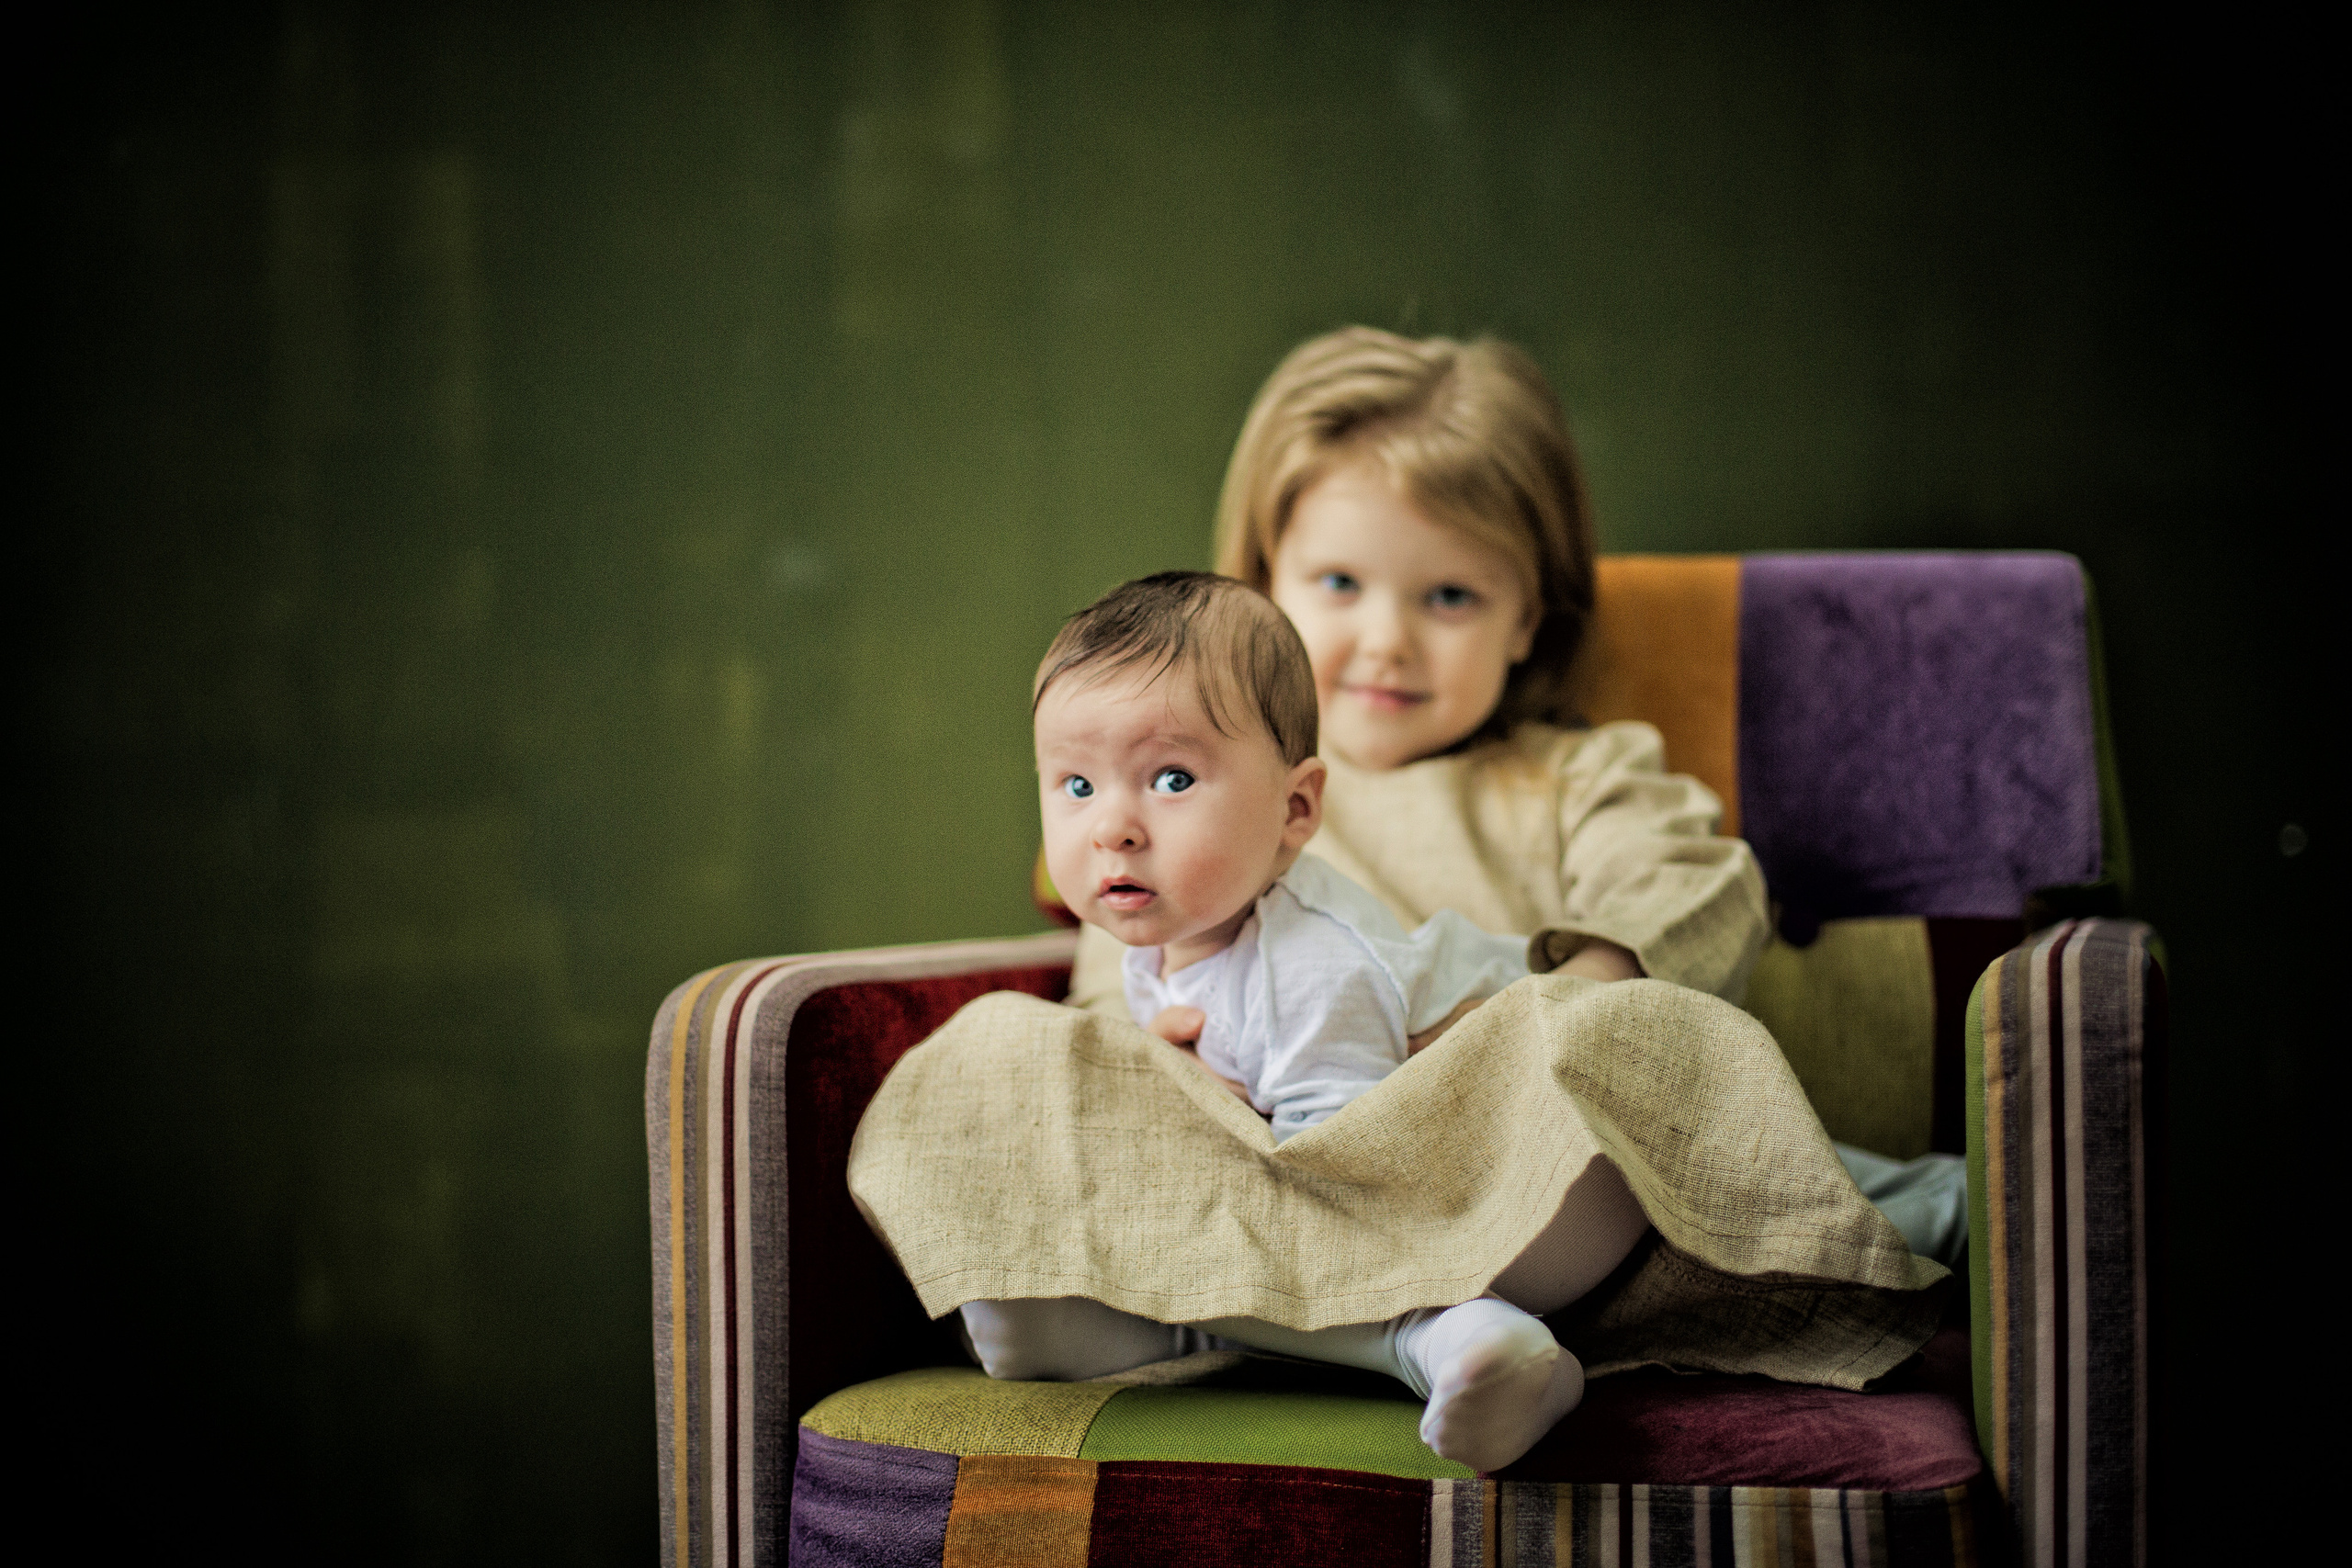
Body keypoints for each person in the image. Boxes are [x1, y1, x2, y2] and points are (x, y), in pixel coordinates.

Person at [1068, 325, 1965, 1264]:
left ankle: (1923, 1212)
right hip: (1291, 1169)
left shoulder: (1574, 779)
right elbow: (1111, 979)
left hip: (1542, 1162)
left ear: (1526, 617)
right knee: (1016, 1074)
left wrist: (1553, 1014)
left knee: (1734, 1184)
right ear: (1259, 586)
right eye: (1338, 583)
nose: (1387, 642)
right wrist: (1167, 1058)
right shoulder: (1191, 798)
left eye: (1449, 596)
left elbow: (1705, 892)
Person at [972, 569, 1649, 1470]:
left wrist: (1195, 1153)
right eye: (1076, 785)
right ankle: (1142, 1327)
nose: (1114, 829)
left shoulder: (1311, 961)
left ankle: (1449, 1339)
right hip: (1415, 1186)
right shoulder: (1158, 942)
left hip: (1549, 1170)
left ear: (1295, 810)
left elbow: (1346, 1189)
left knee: (1238, 1204)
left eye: (1171, 778)